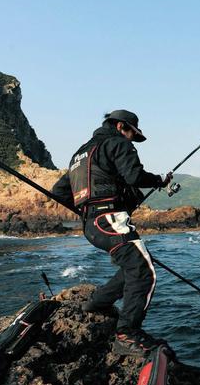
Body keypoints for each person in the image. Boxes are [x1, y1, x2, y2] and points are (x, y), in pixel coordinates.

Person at [52, 110, 172, 356]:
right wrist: (160, 179)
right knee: (143, 272)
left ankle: (97, 304)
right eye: (131, 133)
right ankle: (127, 335)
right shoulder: (117, 143)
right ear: (120, 126)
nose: (130, 139)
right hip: (109, 220)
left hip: (91, 226)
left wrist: (89, 207)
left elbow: (59, 192)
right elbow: (134, 175)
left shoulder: (80, 155)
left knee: (131, 267)